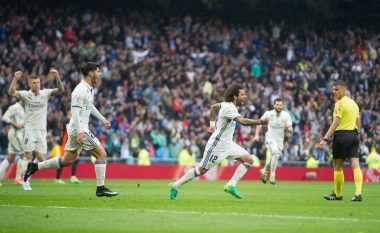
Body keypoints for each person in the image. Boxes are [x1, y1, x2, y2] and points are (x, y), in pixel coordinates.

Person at [23, 62, 118, 197]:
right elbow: (75, 112)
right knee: (101, 154)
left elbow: (89, 106)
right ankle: (100, 188)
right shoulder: (80, 90)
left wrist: (102, 119)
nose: (100, 74)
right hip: (79, 129)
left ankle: (34, 166)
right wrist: (80, 132)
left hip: (77, 129)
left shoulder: (88, 88)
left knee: (67, 160)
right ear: (91, 73)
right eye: (97, 71)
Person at [169, 83, 269, 200]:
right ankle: (176, 185)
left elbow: (214, 107)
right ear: (235, 96)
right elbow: (243, 121)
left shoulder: (226, 105)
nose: (245, 97)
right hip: (217, 145)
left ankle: (231, 185)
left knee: (249, 160)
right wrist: (261, 122)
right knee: (202, 170)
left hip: (228, 144)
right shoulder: (229, 108)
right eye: (242, 95)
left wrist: (212, 125)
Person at [8, 69, 64, 190]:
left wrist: (57, 77)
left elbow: (61, 90)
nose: (36, 84)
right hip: (29, 130)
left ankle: (28, 173)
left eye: (38, 82)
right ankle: (25, 180)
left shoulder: (45, 93)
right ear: (29, 84)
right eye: (34, 83)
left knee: (41, 159)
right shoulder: (25, 94)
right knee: (27, 154)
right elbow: (11, 92)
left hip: (41, 131)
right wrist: (15, 79)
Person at [319, 80, 362, 201]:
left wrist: (325, 139)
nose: (334, 92)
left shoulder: (339, 104)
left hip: (341, 136)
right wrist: (356, 135)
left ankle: (338, 194)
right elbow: (358, 123)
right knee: (355, 164)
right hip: (353, 136)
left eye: (336, 89)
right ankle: (358, 193)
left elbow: (336, 122)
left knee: (337, 167)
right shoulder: (354, 103)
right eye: (333, 89)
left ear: (344, 89)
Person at [254, 98, 293, 185]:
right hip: (270, 138)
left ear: (282, 106)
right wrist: (256, 135)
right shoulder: (269, 114)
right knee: (275, 153)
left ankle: (264, 170)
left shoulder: (286, 115)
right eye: (277, 105)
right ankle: (272, 175)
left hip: (279, 140)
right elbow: (259, 122)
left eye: (280, 105)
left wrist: (288, 128)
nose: (279, 106)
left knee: (275, 157)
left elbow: (291, 129)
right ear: (274, 105)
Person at [0, 99, 25, 185]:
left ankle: (17, 178)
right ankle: (18, 178)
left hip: (19, 134)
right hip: (15, 133)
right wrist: (15, 124)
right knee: (23, 154)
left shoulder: (24, 108)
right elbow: (5, 117)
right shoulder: (14, 107)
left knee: (11, 157)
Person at [52, 111, 82, 185]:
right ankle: (57, 178)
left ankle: (73, 177)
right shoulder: (66, 120)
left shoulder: (71, 121)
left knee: (76, 159)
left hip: (72, 143)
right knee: (63, 161)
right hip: (65, 143)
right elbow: (68, 129)